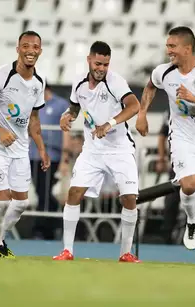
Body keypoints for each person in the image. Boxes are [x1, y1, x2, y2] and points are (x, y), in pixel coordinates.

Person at [135, 26, 195, 268]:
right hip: (182, 137)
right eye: (167, 46)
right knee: (188, 184)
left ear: (187, 49)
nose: (168, 51)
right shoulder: (164, 72)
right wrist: (142, 113)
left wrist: (194, 97)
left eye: (172, 46)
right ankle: (192, 221)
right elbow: (149, 86)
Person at [53, 41, 141, 262]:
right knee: (73, 194)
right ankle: (67, 250)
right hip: (92, 150)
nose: (102, 68)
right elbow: (75, 106)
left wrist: (109, 124)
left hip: (120, 149)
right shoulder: (79, 83)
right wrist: (68, 115)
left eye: (106, 64)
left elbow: (134, 106)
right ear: (89, 60)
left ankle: (126, 253)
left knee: (129, 198)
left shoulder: (116, 82)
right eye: (98, 63)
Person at [0, 31, 51, 258]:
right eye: (25, 46)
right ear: (18, 49)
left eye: (35, 47)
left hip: (20, 148)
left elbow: (34, 119)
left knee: (21, 203)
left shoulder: (39, 81)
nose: (30, 50)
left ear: (40, 51)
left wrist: (42, 149)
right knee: (4, 200)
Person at [156, 111, 195, 244]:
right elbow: (162, 135)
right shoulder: (172, 109)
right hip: (178, 160)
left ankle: (191, 233)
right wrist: (161, 158)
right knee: (172, 198)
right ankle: (166, 234)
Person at [29, 83, 69, 240]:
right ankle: (48, 227)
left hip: (53, 156)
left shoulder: (61, 105)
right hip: (33, 155)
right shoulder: (32, 104)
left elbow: (66, 131)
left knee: (48, 193)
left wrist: (65, 158)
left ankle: (43, 228)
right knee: (41, 192)